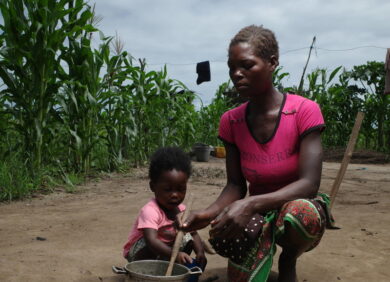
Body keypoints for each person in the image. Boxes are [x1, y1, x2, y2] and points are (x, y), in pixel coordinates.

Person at [179, 25, 332, 282]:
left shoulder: (303, 111)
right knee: (223, 232)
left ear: (272, 63)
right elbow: (236, 185)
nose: (236, 74)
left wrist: (250, 204)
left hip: (293, 208)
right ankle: (258, 252)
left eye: (247, 65)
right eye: (231, 68)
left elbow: (309, 184)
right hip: (259, 213)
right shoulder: (231, 121)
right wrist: (207, 214)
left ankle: (288, 258)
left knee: (299, 215)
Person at [122, 146, 207, 271]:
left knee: (187, 235)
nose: (174, 195)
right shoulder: (150, 210)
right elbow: (151, 241)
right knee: (149, 243)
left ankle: (175, 266)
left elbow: (194, 233)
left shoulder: (182, 210)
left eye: (180, 189)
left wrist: (200, 252)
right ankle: (147, 270)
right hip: (142, 254)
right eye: (168, 189)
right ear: (153, 186)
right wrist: (175, 254)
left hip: (166, 252)